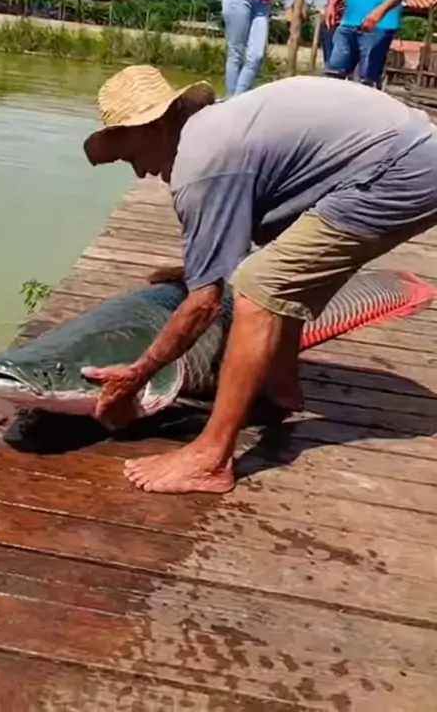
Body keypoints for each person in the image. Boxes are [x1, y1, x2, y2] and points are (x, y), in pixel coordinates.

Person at [82, 64, 437, 496]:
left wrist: (138, 373)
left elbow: (205, 304)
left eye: (131, 156)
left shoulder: (203, 163)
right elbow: (244, 242)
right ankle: (281, 387)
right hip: (406, 154)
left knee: (260, 288)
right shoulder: (215, 130)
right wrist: (198, 269)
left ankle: (210, 458)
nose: (139, 173)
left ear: (154, 127)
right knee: (279, 265)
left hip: (401, 171)